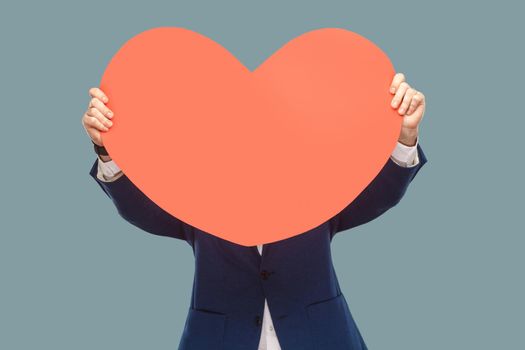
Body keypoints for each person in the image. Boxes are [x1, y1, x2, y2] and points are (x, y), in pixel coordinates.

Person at [82, 72, 428, 350]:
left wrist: (405, 136)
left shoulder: (315, 186)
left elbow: (378, 196)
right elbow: (143, 210)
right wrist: (107, 151)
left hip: (321, 338)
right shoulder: (198, 192)